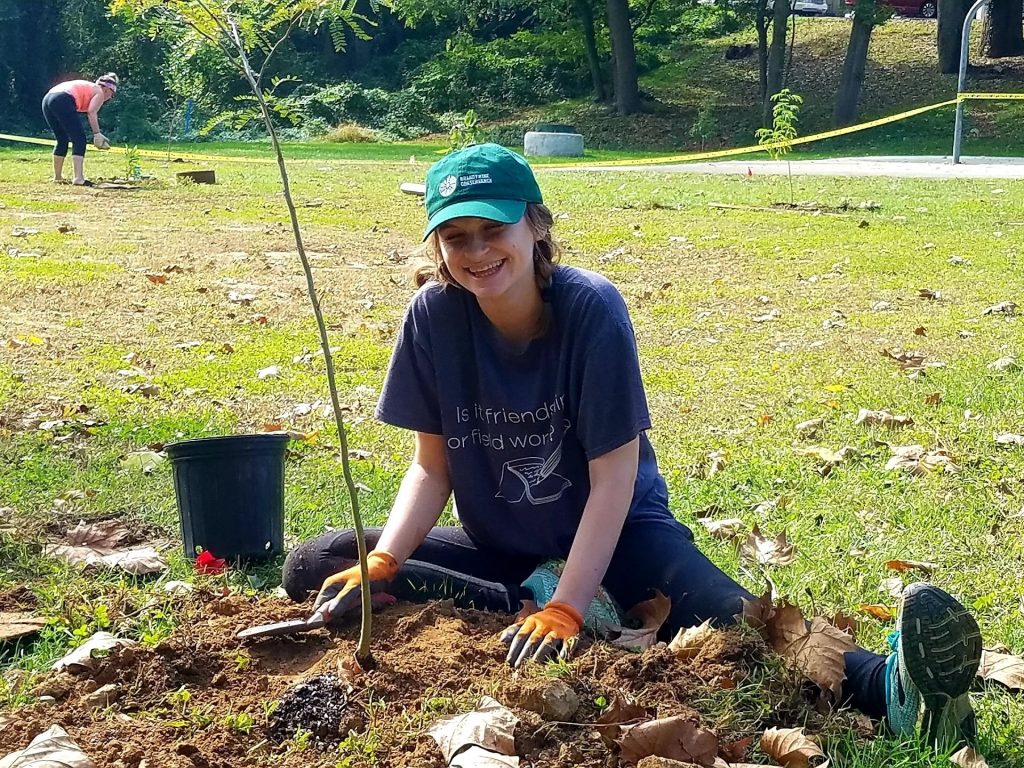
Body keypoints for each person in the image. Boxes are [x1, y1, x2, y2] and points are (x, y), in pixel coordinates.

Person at [282, 143, 982, 751]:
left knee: (728, 614)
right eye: (454, 237)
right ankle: (533, 595)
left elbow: (614, 481)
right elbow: (431, 469)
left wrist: (572, 607)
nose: (475, 253)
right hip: (505, 542)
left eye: (491, 229)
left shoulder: (591, 309)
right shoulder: (433, 316)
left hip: (621, 532)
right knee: (319, 562)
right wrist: (385, 560)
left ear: (534, 225)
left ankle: (890, 689)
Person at [41, 73, 118, 186]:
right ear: (107, 89)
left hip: (48, 99)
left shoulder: (88, 88)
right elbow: (91, 113)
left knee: (62, 139)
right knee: (80, 139)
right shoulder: (99, 92)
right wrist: (97, 134)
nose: (110, 98)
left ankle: (57, 177)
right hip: (63, 98)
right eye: (112, 94)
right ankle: (79, 178)